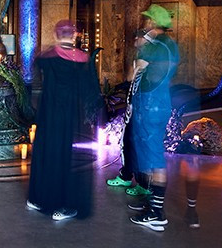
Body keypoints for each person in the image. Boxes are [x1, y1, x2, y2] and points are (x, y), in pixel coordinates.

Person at [26, 20, 100, 222]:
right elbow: (92, 91)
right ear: (74, 36)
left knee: (47, 153)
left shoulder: (48, 57)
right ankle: (66, 205)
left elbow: (32, 76)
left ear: (57, 34)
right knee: (69, 158)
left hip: (49, 114)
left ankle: (41, 198)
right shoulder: (82, 60)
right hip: (72, 117)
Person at [127, 4, 180, 232]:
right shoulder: (170, 45)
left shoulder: (153, 47)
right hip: (158, 103)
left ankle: (157, 212)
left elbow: (131, 76)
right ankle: (151, 203)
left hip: (150, 106)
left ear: (152, 23)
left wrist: (135, 62)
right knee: (150, 156)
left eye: (147, 20)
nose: (144, 23)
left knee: (155, 158)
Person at [106, 28, 150, 199]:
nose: (134, 41)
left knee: (138, 145)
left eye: (138, 38)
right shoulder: (141, 56)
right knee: (127, 142)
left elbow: (133, 78)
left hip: (143, 110)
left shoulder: (149, 57)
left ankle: (143, 184)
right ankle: (126, 175)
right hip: (134, 107)